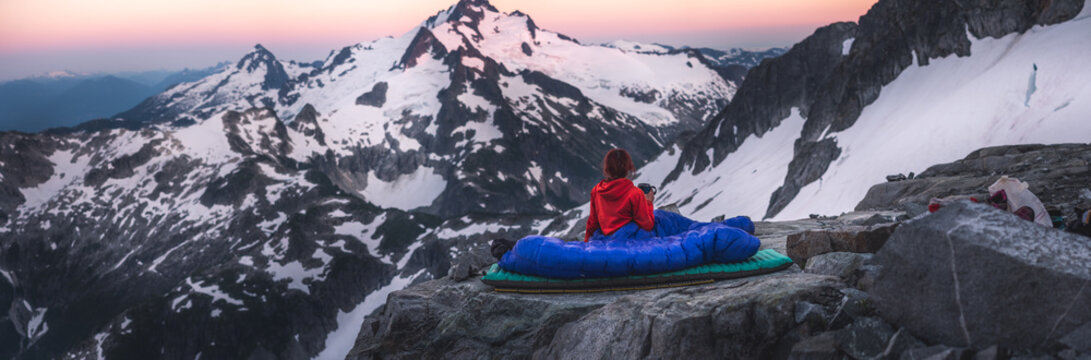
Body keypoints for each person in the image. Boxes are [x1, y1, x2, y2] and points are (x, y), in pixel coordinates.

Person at [584, 149, 656, 242]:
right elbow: (647, 225)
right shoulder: (635, 193)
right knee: (664, 220)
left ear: (607, 168)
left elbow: (592, 224)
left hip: (605, 240)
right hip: (629, 242)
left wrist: (586, 245)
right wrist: (648, 203)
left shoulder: (596, 191)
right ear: (628, 168)